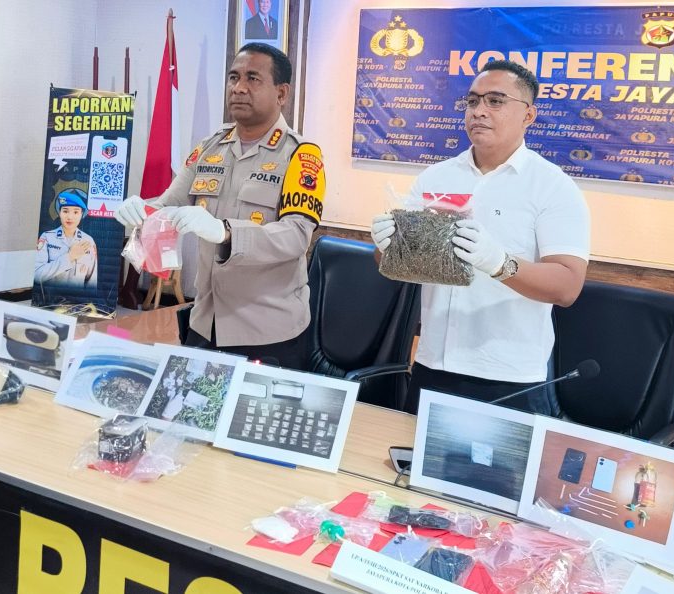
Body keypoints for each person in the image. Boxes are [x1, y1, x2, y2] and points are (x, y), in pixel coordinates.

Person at [371, 60, 590, 416]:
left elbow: (567, 286)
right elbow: (393, 267)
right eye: (472, 101)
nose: (479, 111)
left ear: (529, 115)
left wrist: (499, 263)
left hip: (509, 377)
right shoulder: (436, 177)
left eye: (495, 101)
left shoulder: (553, 186)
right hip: (432, 366)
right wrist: (387, 247)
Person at [115, 43, 325, 370]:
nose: (238, 87)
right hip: (205, 323)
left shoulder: (300, 156)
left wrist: (225, 232)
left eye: (252, 78)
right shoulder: (210, 148)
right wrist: (140, 210)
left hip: (268, 332)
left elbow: (296, 236)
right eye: (233, 77)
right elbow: (169, 205)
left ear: (281, 93)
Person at [34, 188, 98, 289]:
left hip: (77, 298)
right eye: (65, 211)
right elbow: (37, 275)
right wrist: (70, 257)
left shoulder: (88, 241)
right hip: (51, 297)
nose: (70, 217)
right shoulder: (47, 237)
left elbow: (92, 282)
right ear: (59, 213)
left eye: (76, 212)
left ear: (82, 214)